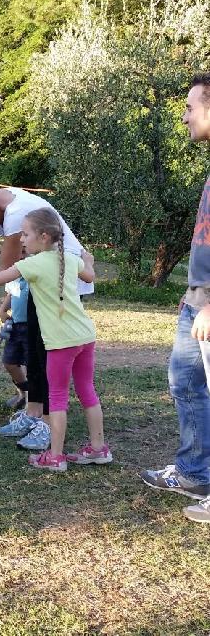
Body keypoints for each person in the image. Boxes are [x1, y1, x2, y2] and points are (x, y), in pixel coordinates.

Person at [0, 208, 109, 472]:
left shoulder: (32, 265)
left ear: (43, 236)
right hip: (85, 336)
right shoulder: (68, 257)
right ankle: (99, 449)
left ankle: (55, 457)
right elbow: (89, 276)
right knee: (87, 390)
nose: (20, 239)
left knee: (56, 398)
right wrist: (88, 260)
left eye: (26, 234)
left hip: (60, 343)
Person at [141, 73, 210, 523]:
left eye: (191, 106)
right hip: (197, 298)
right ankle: (194, 471)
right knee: (186, 384)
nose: (184, 115)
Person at [0, 277, 29, 415]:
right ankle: (23, 392)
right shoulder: (13, 276)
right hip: (15, 326)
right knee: (9, 362)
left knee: (31, 365)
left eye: (23, 253)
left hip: (33, 327)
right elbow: (11, 293)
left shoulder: (36, 272)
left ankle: (30, 405)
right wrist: (2, 310)